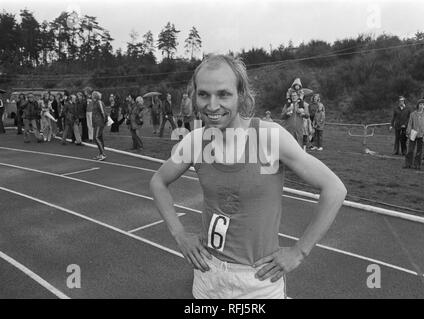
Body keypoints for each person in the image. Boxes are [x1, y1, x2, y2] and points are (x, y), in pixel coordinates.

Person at [150, 54, 347, 299]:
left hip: (258, 282)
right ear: (195, 96)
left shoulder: (268, 137)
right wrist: (179, 235)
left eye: (223, 94)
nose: (212, 105)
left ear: (241, 94)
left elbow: (334, 189)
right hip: (207, 275)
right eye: (203, 94)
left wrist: (299, 252)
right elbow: (158, 182)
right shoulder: (195, 142)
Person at [403, 99, 424, 170]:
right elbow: (410, 124)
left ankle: (417, 165)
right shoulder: (413, 114)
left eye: (423, 105)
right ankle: (408, 164)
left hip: (422, 135)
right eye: (420, 104)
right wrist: (408, 132)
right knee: (410, 150)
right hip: (413, 134)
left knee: (419, 151)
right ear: (418, 105)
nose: (422, 106)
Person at [92, 91, 107, 161]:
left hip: (99, 122)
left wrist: (104, 121)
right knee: (99, 138)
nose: (92, 96)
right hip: (96, 123)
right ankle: (101, 153)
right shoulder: (94, 103)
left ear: (95, 96)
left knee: (96, 138)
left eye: (93, 95)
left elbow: (103, 112)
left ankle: (103, 154)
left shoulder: (99, 102)